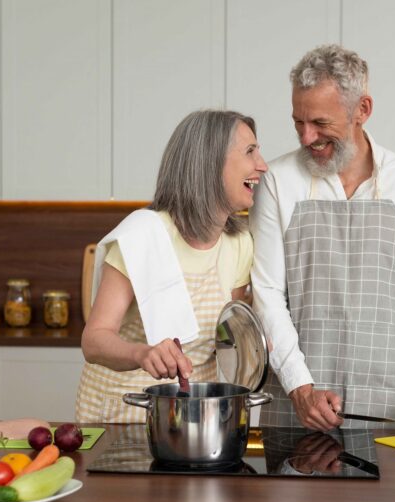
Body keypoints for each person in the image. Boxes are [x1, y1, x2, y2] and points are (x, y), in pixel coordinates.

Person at [250, 44, 395, 435]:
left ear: (363, 110)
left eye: (320, 122)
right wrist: (300, 386)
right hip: (297, 402)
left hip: (389, 403)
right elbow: (267, 293)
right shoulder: (277, 182)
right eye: (298, 122)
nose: (307, 137)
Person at [76, 109, 268, 423]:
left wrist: (254, 339)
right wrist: (142, 353)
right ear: (210, 162)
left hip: (193, 413)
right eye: (250, 152)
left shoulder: (239, 243)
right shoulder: (142, 234)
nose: (262, 164)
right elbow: (94, 340)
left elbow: (225, 333)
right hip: (124, 412)